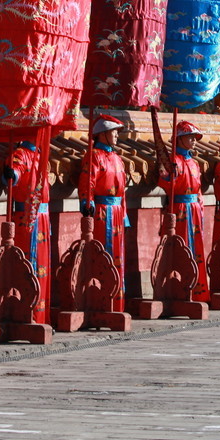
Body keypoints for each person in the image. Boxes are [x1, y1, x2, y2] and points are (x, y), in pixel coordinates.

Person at [79, 114, 130, 311]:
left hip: (116, 211)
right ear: (102, 134)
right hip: (101, 212)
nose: (116, 136)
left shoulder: (117, 158)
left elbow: (122, 191)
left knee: (117, 254)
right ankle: (99, 299)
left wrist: (124, 215)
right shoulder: (93, 156)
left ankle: (116, 301)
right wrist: (87, 201)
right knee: (102, 253)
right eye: (113, 132)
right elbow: (87, 181)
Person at [156, 120, 209, 301]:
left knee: (195, 247)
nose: (194, 141)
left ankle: (197, 291)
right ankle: (176, 289)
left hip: (193, 210)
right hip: (178, 209)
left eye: (195, 138)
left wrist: (200, 209)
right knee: (178, 247)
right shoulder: (172, 161)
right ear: (179, 139)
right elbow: (164, 182)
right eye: (190, 137)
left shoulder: (194, 162)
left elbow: (199, 189)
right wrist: (169, 174)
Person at [5, 136, 51, 324]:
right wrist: (11, 174)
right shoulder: (20, 154)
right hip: (28, 218)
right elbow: (13, 174)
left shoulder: (40, 155)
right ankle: (28, 315)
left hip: (43, 217)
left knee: (43, 266)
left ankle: (41, 317)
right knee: (29, 264)